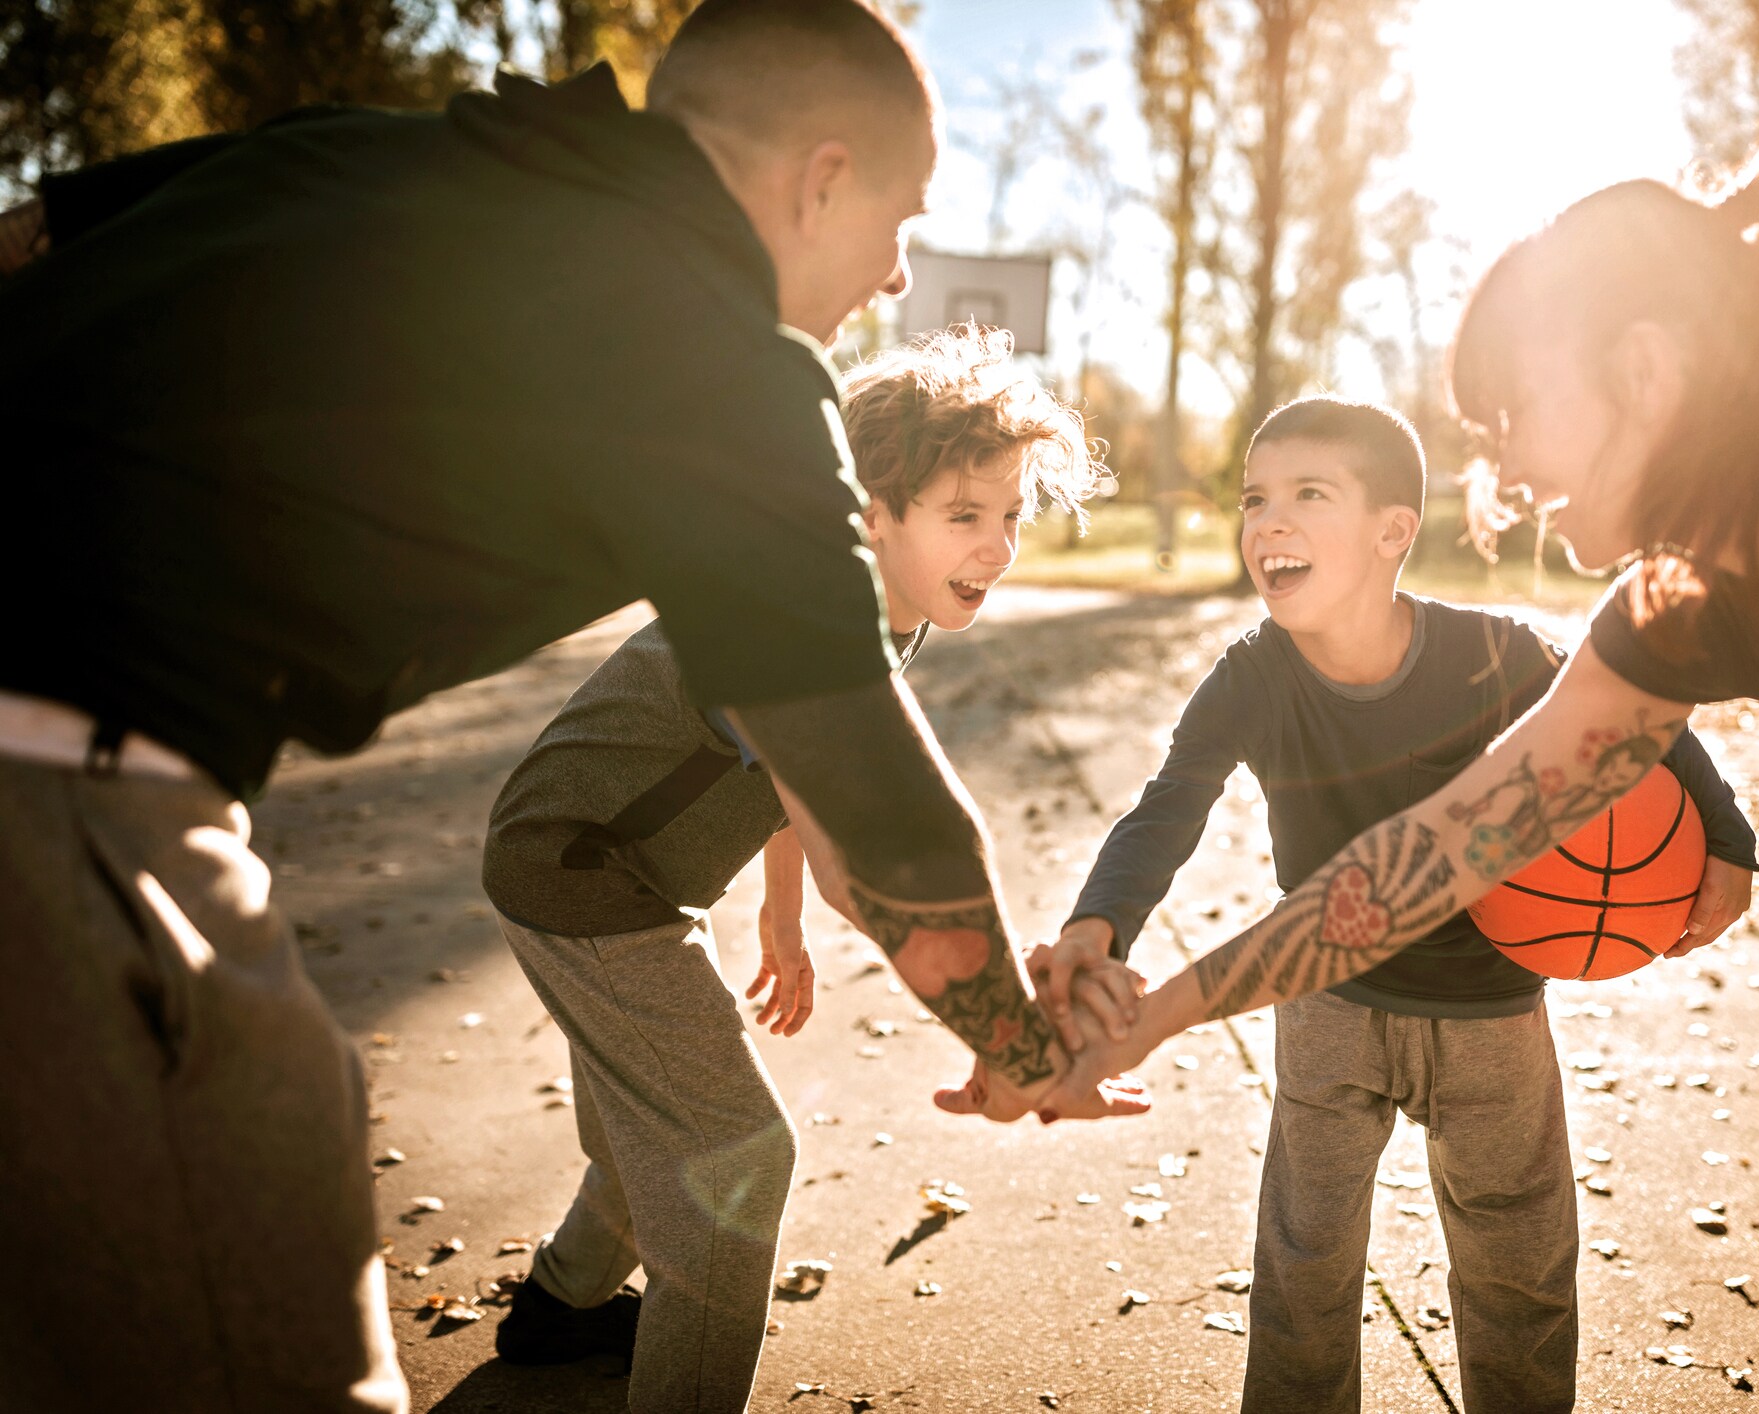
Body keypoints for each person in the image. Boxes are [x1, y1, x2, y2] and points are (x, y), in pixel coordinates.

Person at [0, 5, 1137, 1410]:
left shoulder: (366, 156)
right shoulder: (721, 366)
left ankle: (567, 1293)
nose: (898, 272)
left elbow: (29, 237)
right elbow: (877, 812)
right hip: (58, 776)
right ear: (820, 177)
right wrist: (1025, 1050)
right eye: (900, 223)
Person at [1035, 134, 1759, 1413]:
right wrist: (1145, 1016)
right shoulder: (1687, 611)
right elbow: (1428, 855)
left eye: (1515, 420)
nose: (1504, 478)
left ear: (1646, 371)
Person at [1034, 396, 1755, 1413]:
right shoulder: (1251, 677)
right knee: (1305, 1266)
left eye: (1306, 495)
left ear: (1392, 533)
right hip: (1328, 1006)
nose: (1267, 522)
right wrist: (1094, 929)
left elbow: (1638, 712)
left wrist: (1728, 837)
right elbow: (1166, 812)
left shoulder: (1495, 653)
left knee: (1519, 1273)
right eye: (1254, 498)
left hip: (1492, 1008)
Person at [479, 327, 1116, 1409]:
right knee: (734, 1150)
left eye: (1010, 515)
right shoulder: (790, 611)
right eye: (965, 516)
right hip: (578, 875)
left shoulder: (874, 617)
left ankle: (558, 1310)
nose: (1000, 546)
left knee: (655, 1128)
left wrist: (780, 924)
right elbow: (864, 857)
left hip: (612, 875)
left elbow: (793, 775)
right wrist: (999, 1029)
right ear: (869, 515)